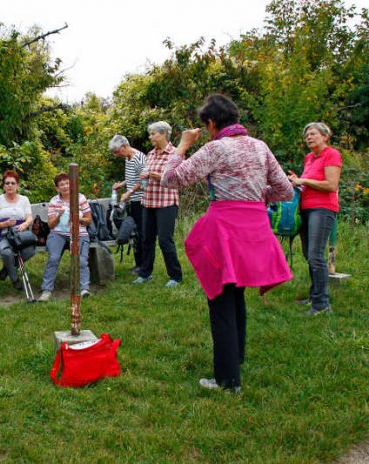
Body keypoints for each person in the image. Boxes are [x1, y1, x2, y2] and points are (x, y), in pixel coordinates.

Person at [162, 94, 294, 391]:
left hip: (226, 229)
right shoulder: (260, 147)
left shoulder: (215, 148)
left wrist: (182, 146)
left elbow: (171, 179)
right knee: (235, 294)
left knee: (220, 298)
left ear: (211, 123)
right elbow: (285, 191)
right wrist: (255, 198)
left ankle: (227, 379)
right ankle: (236, 358)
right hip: (255, 228)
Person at [288, 122, 342, 315]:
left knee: (315, 255)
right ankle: (315, 295)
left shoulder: (332, 154)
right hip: (306, 209)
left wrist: (303, 180)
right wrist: (296, 181)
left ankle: (322, 304)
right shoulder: (309, 158)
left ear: (325, 136)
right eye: (307, 136)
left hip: (323, 208)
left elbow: (331, 185)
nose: (309, 137)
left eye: (313, 134)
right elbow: (309, 183)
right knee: (308, 254)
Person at [136, 121, 183, 288]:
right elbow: (148, 174)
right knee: (146, 239)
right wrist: (144, 177)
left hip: (166, 202)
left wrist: (151, 174)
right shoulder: (150, 154)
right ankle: (145, 274)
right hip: (148, 201)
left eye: (153, 134)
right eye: (150, 134)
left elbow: (173, 178)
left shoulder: (176, 153)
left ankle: (175, 276)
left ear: (163, 134)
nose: (150, 137)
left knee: (164, 240)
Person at [38, 173, 93, 302]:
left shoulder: (80, 198)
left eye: (67, 183)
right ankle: (46, 290)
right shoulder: (54, 201)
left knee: (82, 260)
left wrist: (79, 218)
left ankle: (84, 288)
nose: (65, 186)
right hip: (58, 234)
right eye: (61, 184)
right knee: (53, 258)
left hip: (79, 233)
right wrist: (59, 215)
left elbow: (89, 220)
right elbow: (50, 225)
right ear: (57, 188)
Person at [0, 170, 35, 290]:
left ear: (17, 185)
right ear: (3, 186)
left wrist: (26, 224)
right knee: (6, 252)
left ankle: (6, 268)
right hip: (3, 233)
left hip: (20, 232)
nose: (10, 185)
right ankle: (15, 279)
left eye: (13, 183)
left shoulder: (24, 199)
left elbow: (29, 217)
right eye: (7, 183)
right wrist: (4, 224)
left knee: (30, 251)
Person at [108, 135, 147, 274]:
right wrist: (122, 185)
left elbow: (144, 181)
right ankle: (138, 265)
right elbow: (132, 177)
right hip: (133, 200)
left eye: (117, 151)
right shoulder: (127, 158)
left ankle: (144, 266)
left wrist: (129, 193)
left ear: (124, 146)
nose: (116, 155)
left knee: (142, 233)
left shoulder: (139, 158)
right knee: (134, 233)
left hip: (142, 201)